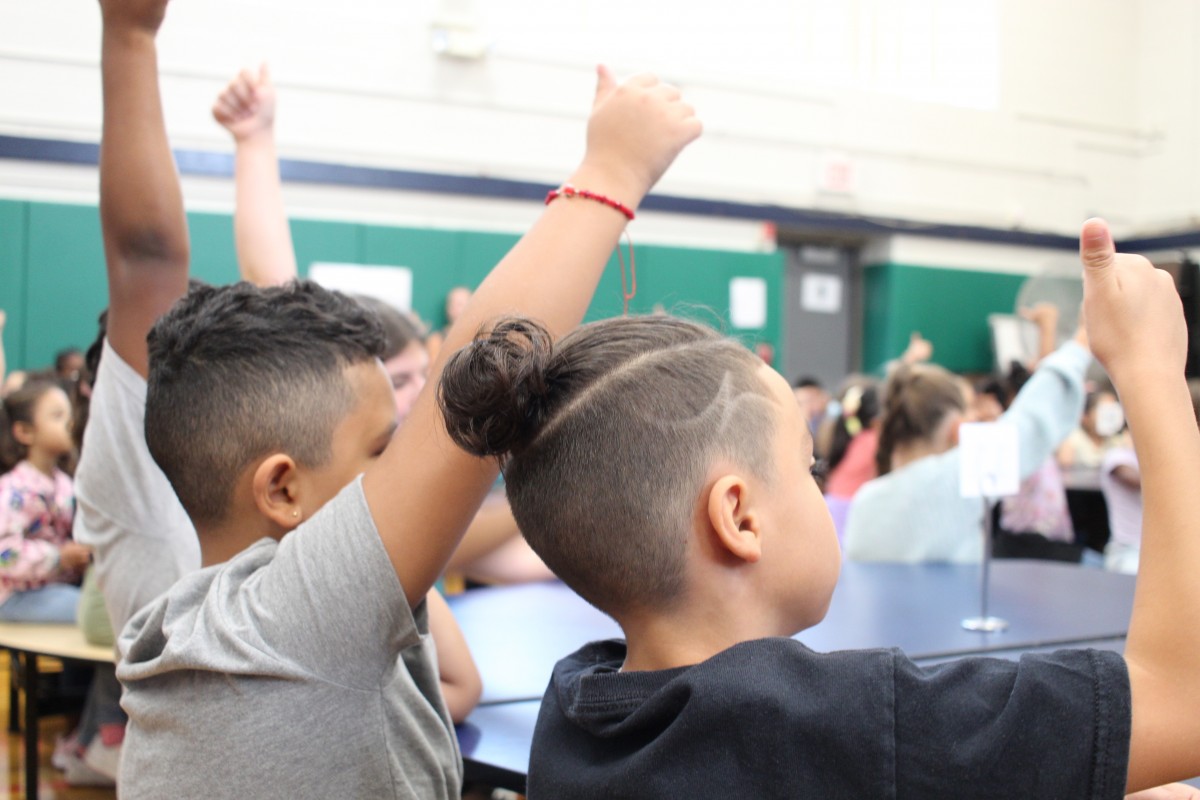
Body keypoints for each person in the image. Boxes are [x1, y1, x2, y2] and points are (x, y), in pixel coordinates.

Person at [104, 2, 700, 797]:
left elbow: (281, 293)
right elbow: (474, 388)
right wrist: (610, 177)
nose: (408, 460)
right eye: (384, 449)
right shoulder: (284, 627)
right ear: (282, 489)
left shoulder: (266, 619)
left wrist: (255, 146)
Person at [437, 219, 1200, 797]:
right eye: (808, 466)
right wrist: (1153, 370)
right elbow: (1184, 698)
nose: (822, 481)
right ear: (739, 519)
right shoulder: (853, 723)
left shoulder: (575, 708)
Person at [214, 69, 551, 587]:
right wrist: (255, 145)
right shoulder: (348, 490)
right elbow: (274, 289)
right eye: (398, 382)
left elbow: (494, 559)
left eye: (422, 373)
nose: (420, 393)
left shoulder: (415, 468)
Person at [841, 319, 1089, 563]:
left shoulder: (865, 503)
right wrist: (1082, 342)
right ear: (957, 429)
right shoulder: (954, 481)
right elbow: (1031, 423)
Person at [1060, 387, 1129, 470]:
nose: (1110, 417)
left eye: (1114, 411)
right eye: (1105, 412)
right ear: (1085, 416)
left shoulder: (1120, 441)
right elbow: (1065, 471)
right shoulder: (1071, 439)